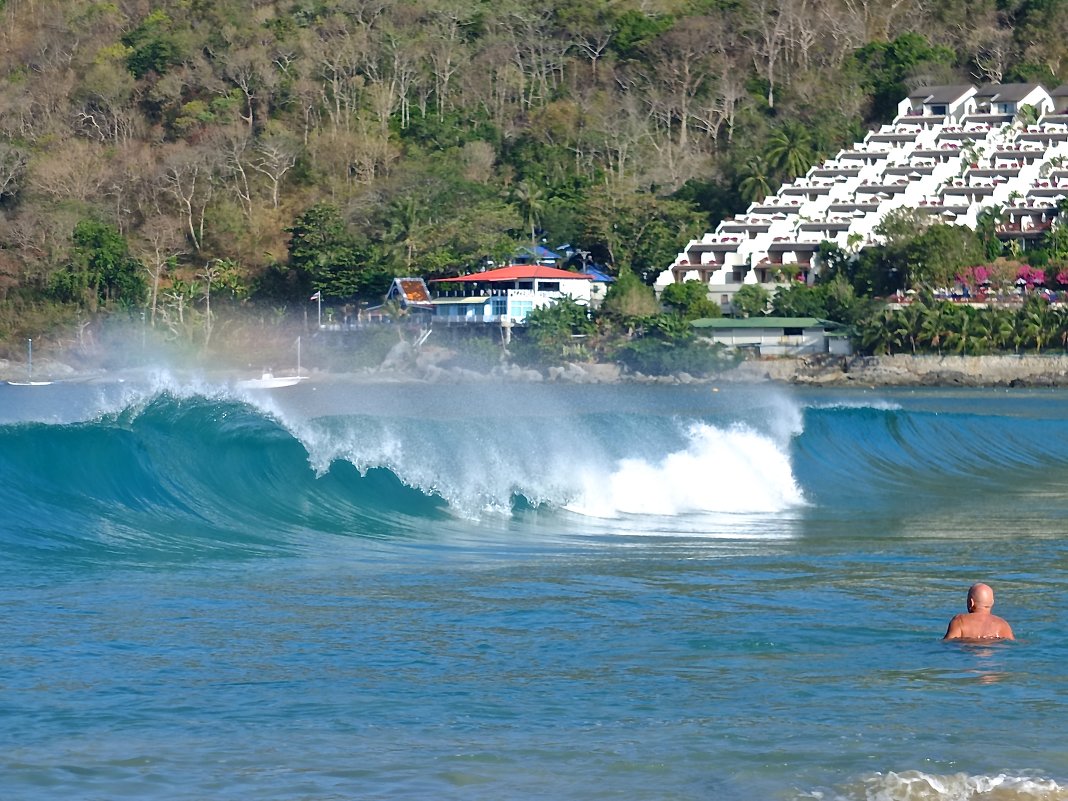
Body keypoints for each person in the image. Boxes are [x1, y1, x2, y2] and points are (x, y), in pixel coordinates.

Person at [943, 582, 1015, 641]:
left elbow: (947, 643)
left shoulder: (959, 621)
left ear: (971, 602)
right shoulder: (1003, 624)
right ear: (992, 602)